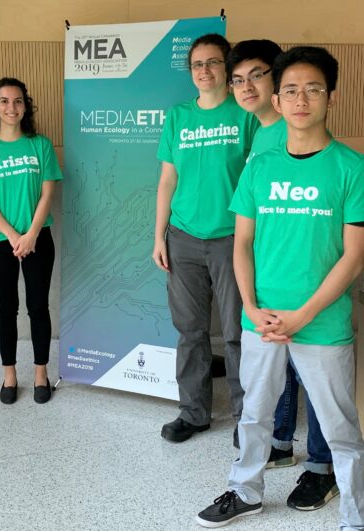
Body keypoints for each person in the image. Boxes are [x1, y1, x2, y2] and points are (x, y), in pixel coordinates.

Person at [196, 46, 364, 530]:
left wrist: (303, 315)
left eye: (313, 89)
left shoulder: (350, 168)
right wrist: (250, 305)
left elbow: (354, 256)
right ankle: (244, 491)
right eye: (290, 90)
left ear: (331, 96)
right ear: (280, 97)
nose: (300, 99)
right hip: (262, 319)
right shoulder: (260, 167)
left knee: (340, 429)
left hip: (322, 322)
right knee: (254, 416)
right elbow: (242, 243)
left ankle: (354, 514)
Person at [228, 39, 337, 512]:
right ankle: (279, 446)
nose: (247, 86)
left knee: (313, 380)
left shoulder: (291, 133)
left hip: (310, 289)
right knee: (280, 375)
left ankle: (320, 467)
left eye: (258, 75)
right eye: (240, 79)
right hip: (268, 286)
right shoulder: (261, 133)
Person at [153, 34, 258, 445]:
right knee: (191, 331)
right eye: (197, 64)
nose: (204, 71)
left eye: (213, 63)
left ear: (226, 69)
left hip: (233, 238)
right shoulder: (178, 116)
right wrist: (158, 235)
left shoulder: (245, 114)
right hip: (182, 236)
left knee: (236, 332)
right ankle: (194, 413)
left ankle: (246, 419)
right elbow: (167, 179)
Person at [0, 78, 61, 404]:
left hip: (38, 238)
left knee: (38, 307)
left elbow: (49, 191)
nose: (11, 107)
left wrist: (32, 233)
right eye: (5, 101)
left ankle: (40, 373)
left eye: (18, 101)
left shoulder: (40, 145)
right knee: (6, 309)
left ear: (26, 106)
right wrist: (12, 235)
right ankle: (9, 375)